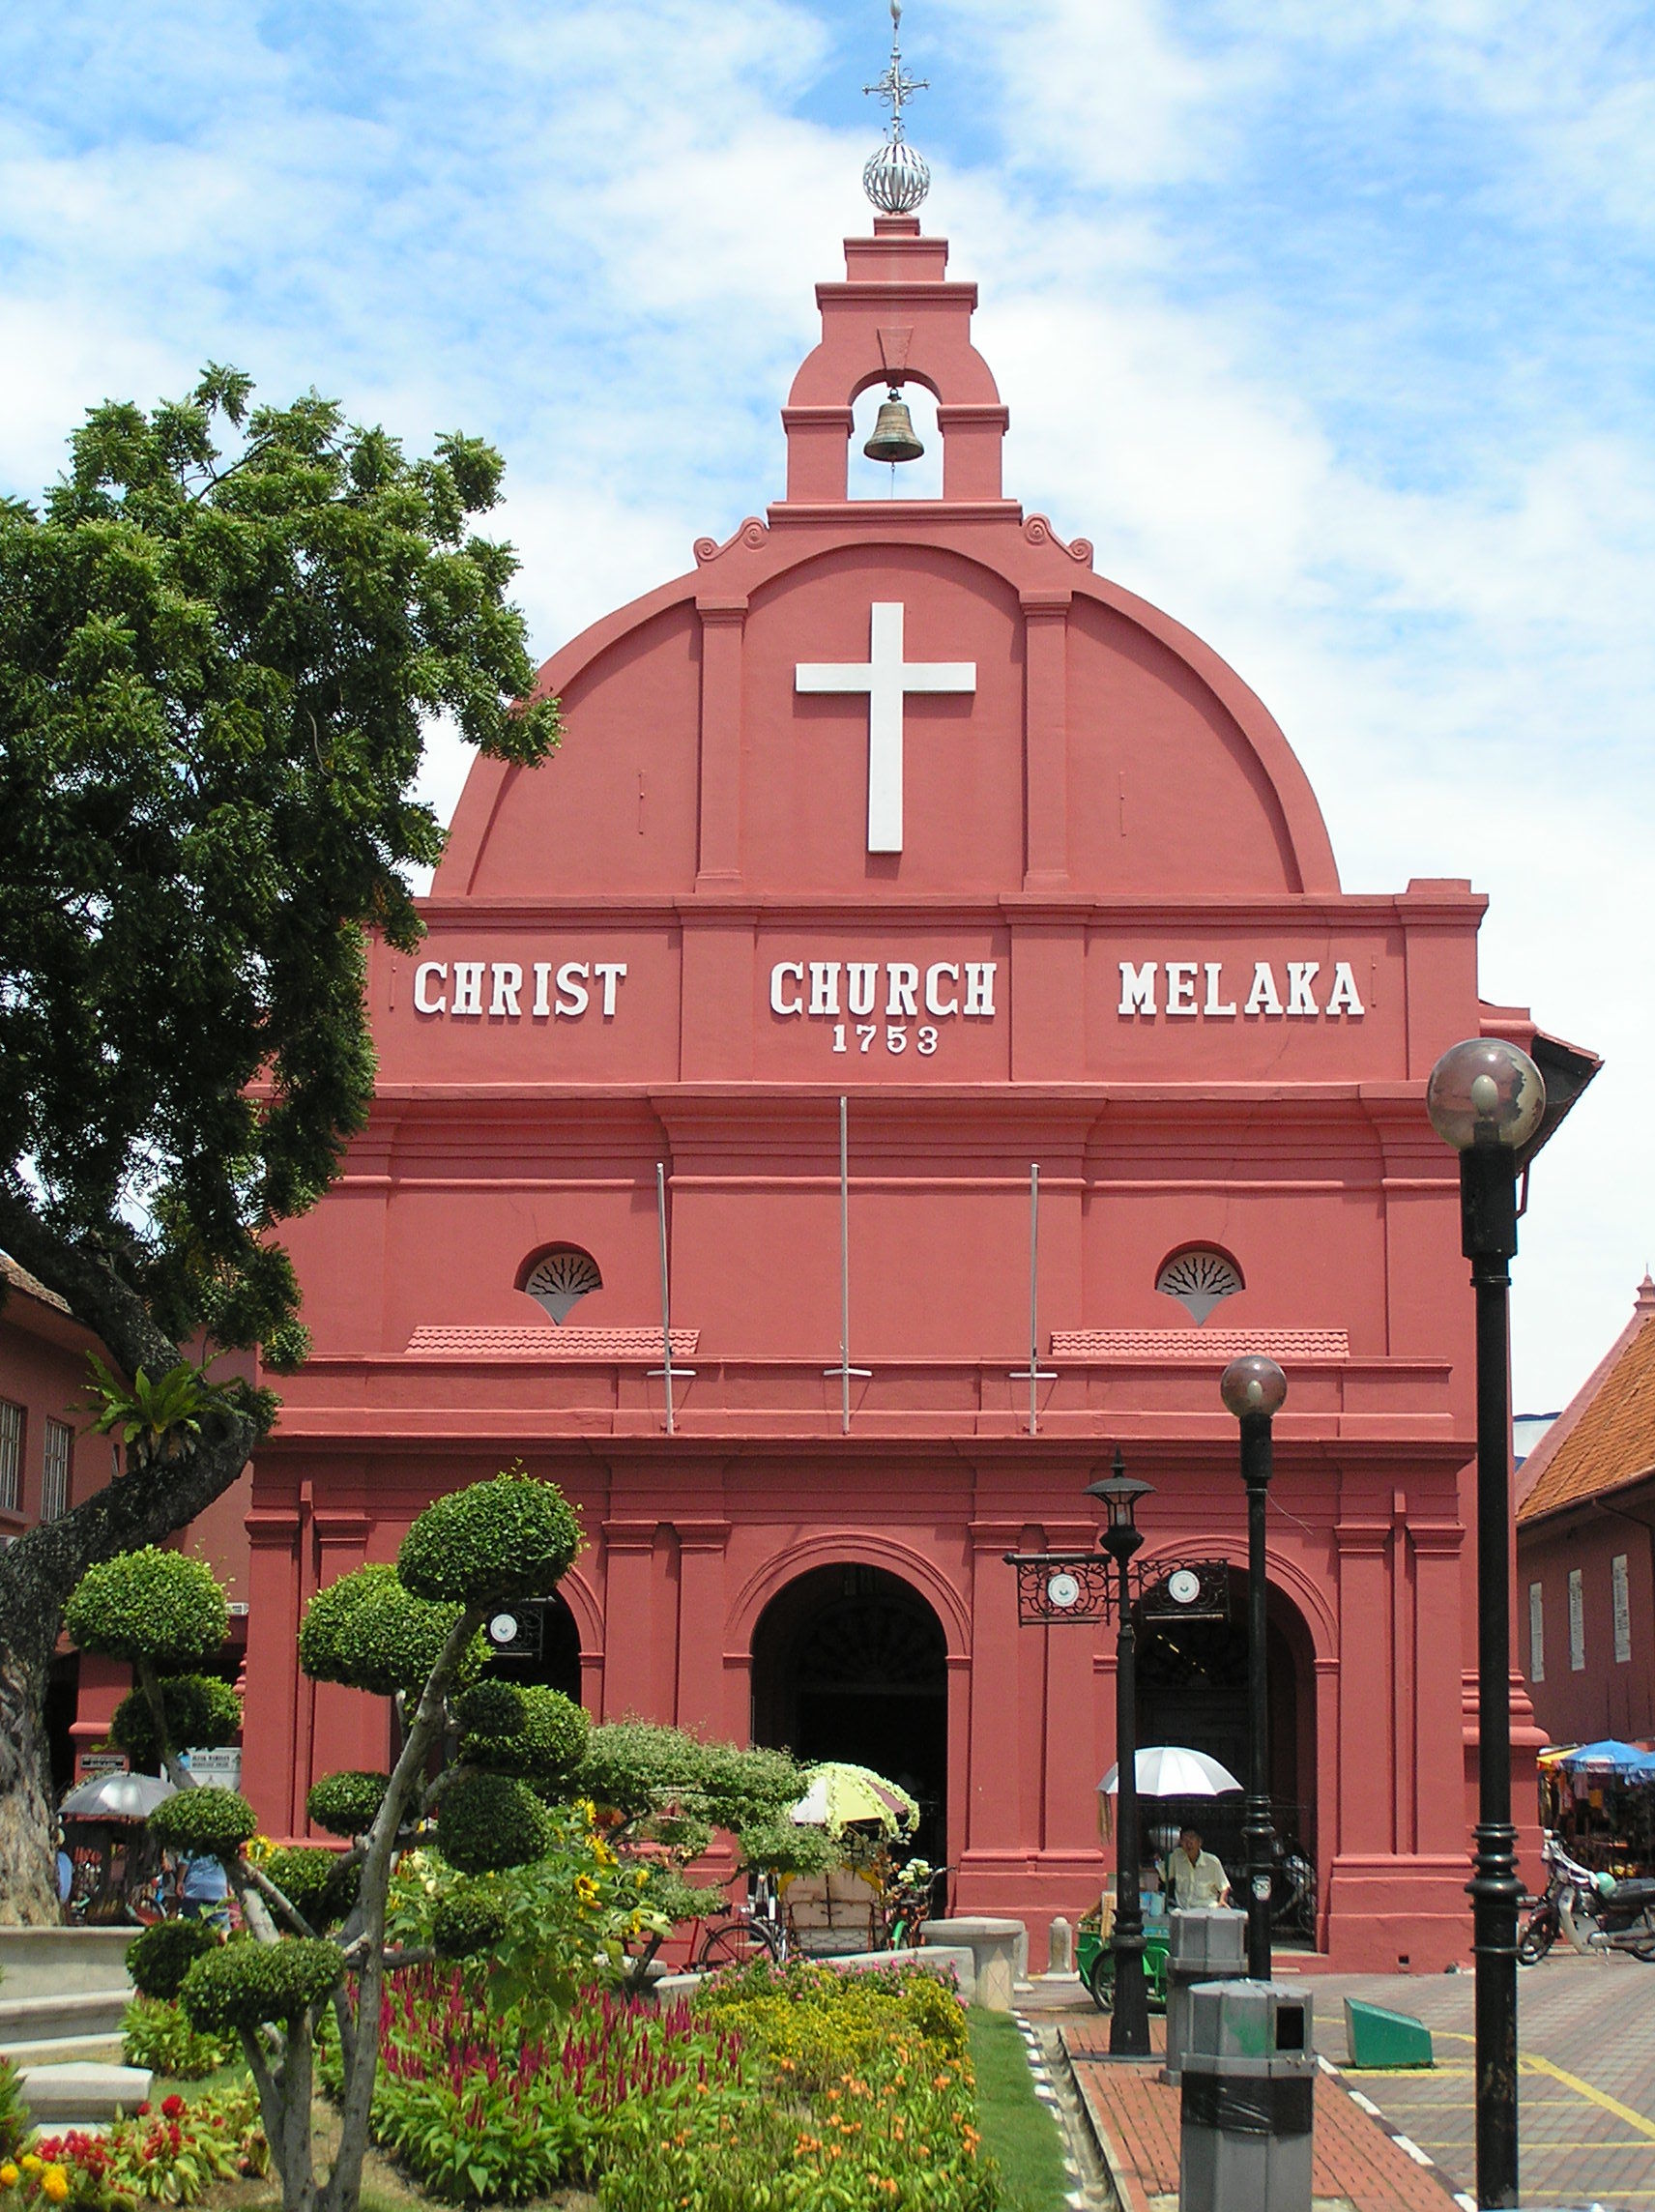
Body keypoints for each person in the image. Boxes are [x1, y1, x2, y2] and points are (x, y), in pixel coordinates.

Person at [1162, 1826, 1231, 1908]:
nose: (1188, 1843)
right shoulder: (1176, 1856)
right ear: (1180, 1843)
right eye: (1185, 1839)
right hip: (1182, 1910)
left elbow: (1224, 1886)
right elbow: (1161, 1873)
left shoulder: (1212, 1862)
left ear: (1200, 1842)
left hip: (1206, 1910)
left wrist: (1222, 1901)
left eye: (1192, 1838)